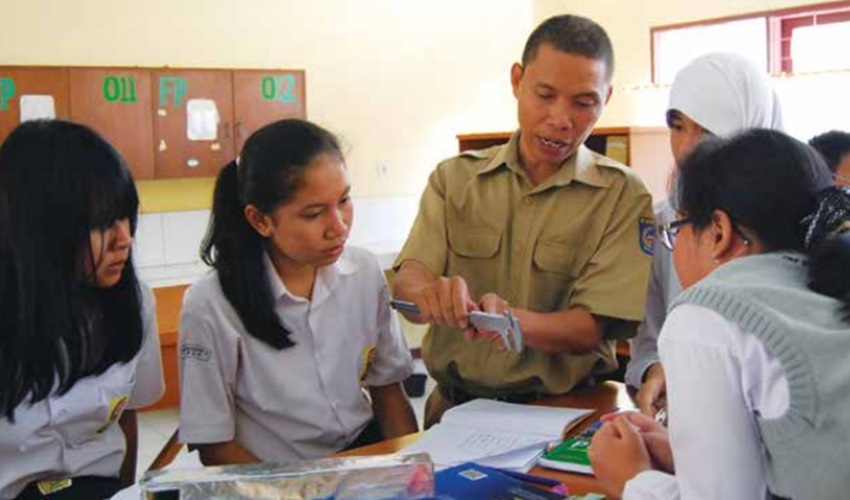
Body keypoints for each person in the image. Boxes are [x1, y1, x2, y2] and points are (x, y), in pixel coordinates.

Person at [393, 14, 654, 428]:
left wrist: (508, 322)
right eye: (545, 95)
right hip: (455, 413)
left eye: (583, 102)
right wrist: (429, 295)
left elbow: (591, 328)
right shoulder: (454, 180)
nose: (561, 119)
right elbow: (409, 281)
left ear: (606, 97)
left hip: (567, 413)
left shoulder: (622, 195)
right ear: (517, 80)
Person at [589, 129, 850, 499]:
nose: (673, 246)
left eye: (676, 228)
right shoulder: (824, 286)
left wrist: (632, 479)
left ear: (718, 232)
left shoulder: (705, 316)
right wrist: (688, 455)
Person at [178, 119, 417, 466]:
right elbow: (215, 447)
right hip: (276, 475)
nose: (339, 226)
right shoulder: (211, 305)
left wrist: (412, 471)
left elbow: (388, 388)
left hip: (364, 454)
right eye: (314, 213)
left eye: (344, 200)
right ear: (260, 220)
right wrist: (298, 489)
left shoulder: (363, 273)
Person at [0, 120, 164, 499]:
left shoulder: (134, 302)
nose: (125, 238)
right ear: (42, 228)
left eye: (126, 217)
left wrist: (124, 492)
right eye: (103, 223)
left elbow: (126, 416)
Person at [627, 52, 784, 417]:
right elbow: (647, 340)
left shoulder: (791, 223)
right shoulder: (661, 223)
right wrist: (657, 370)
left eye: (708, 131)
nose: (686, 149)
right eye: (677, 126)